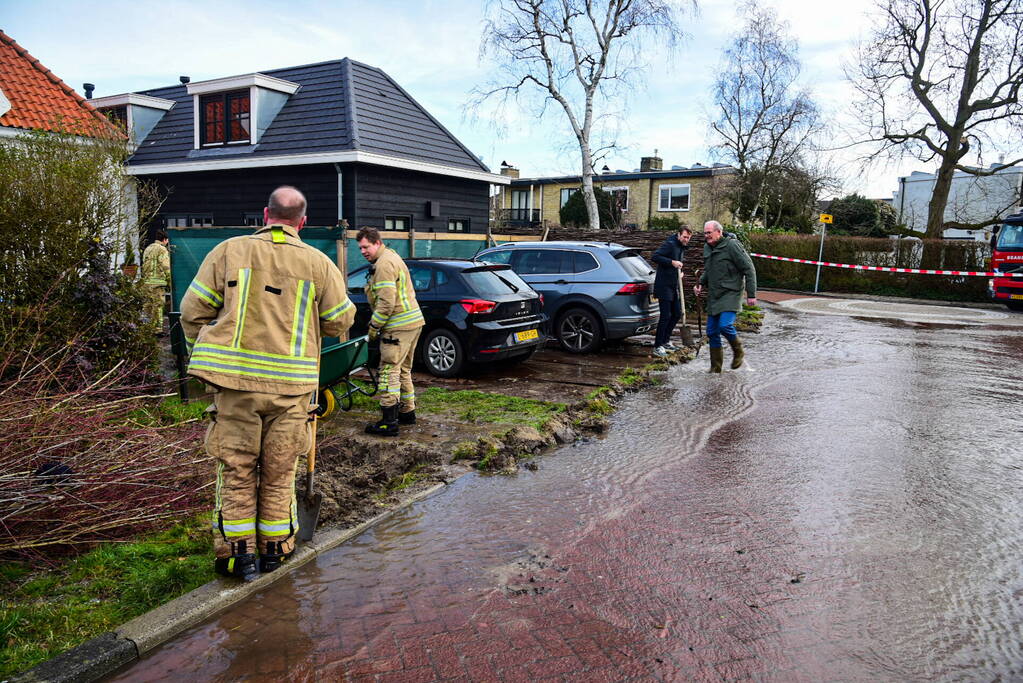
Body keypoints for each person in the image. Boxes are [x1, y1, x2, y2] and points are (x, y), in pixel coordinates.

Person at [180, 186, 355, 581]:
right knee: (279, 473)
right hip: (292, 391)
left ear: (265, 214)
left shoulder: (228, 252)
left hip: (235, 387)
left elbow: (192, 312)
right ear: (302, 222)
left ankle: (236, 557)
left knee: (238, 470)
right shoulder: (318, 263)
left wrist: (207, 355)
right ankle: (276, 551)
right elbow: (341, 321)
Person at [356, 227, 425, 436]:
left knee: (388, 371)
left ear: (377, 243)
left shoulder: (384, 264)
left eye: (366, 247)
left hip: (397, 326)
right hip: (413, 323)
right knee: (403, 369)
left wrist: (374, 328)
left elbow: (386, 303)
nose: (362, 252)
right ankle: (407, 412)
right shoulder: (391, 256)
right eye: (360, 248)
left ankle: (388, 422)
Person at [693, 220, 757, 373]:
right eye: (705, 233)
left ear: (719, 232)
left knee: (725, 325)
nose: (707, 236)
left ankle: (738, 351)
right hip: (715, 294)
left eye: (709, 232)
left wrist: (751, 294)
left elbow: (749, 269)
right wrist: (700, 283)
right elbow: (709, 270)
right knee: (711, 332)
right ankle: (715, 368)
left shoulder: (732, 246)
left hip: (731, 292)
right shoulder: (707, 248)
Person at [650, 225, 693, 357]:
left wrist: (679, 274)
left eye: (688, 238)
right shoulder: (670, 244)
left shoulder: (680, 246)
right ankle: (657, 346)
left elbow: (676, 265)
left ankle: (665, 341)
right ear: (678, 234)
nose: (686, 240)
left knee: (676, 313)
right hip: (663, 286)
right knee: (665, 316)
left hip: (673, 285)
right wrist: (672, 262)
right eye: (685, 237)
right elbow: (655, 256)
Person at [141, 230, 171, 333]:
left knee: (148, 305)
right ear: (165, 240)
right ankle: (157, 329)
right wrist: (170, 281)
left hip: (146, 282)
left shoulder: (148, 248)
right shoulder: (162, 249)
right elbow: (166, 266)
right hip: (158, 283)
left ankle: (146, 327)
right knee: (158, 305)